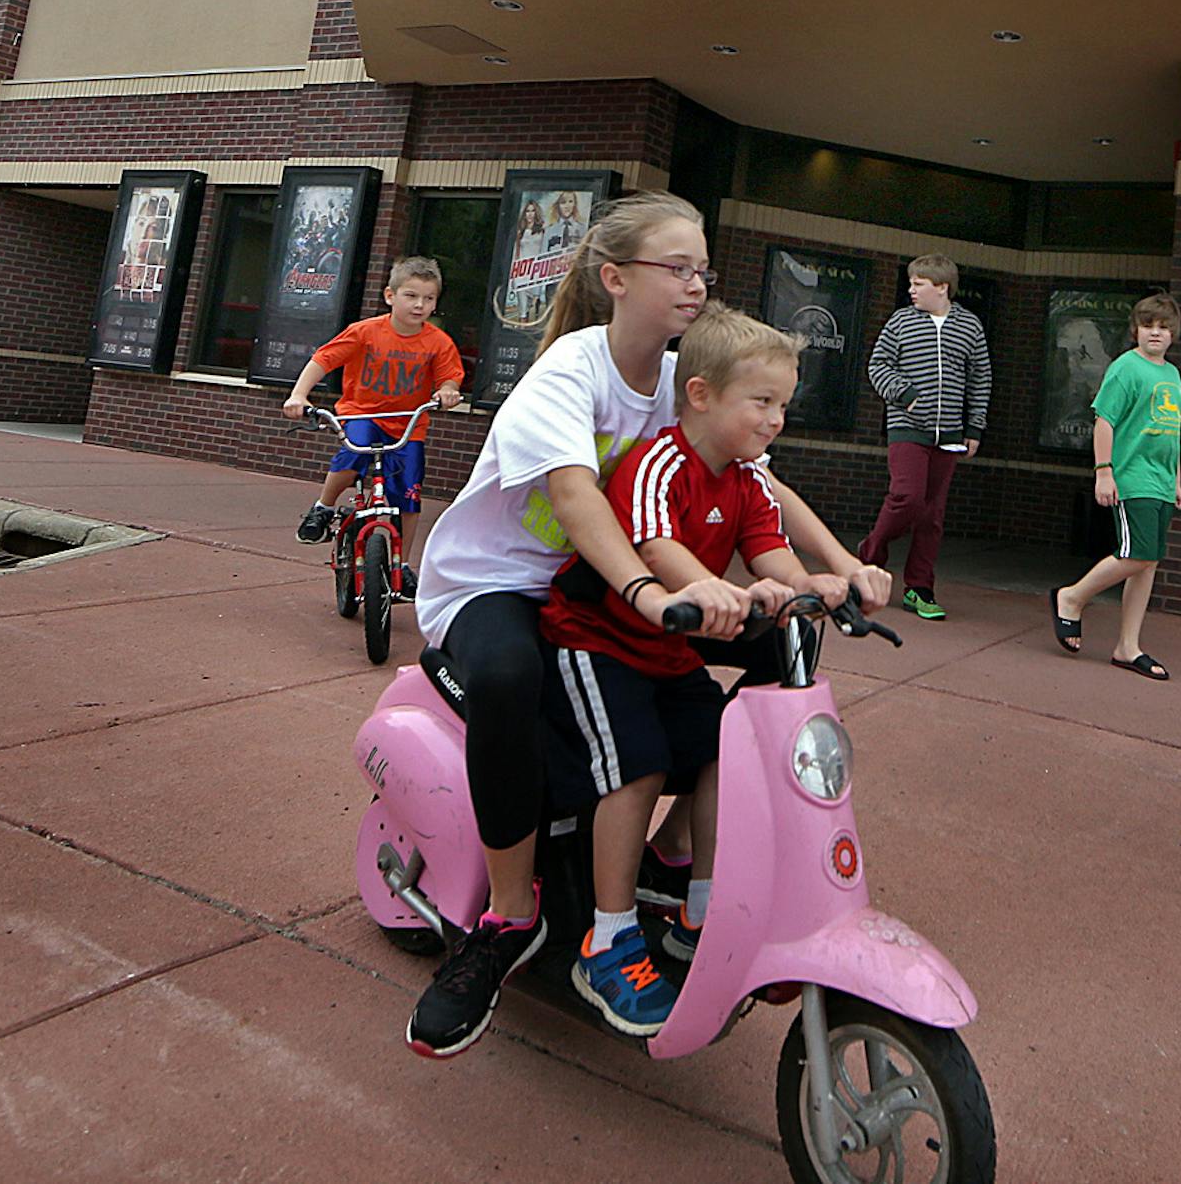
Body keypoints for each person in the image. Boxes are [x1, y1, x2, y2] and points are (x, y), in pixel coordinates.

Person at [400, 191, 879, 1060]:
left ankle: (670, 859)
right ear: (616, 279)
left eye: (704, 268)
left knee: (779, 644)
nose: (697, 284)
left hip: (609, 582)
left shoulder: (679, 381)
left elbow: (763, 482)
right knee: (507, 677)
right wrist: (645, 591)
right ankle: (511, 917)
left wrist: (840, 571)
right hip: (505, 581)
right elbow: (575, 495)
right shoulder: (570, 373)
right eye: (678, 267)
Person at [538, 306, 881, 1036]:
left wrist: (808, 585)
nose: (775, 419)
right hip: (597, 639)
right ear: (700, 395)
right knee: (637, 768)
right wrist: (707, 586)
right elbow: (658, 547)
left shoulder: (746, 481)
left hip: (667, 651)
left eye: (783, 405)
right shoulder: (660, 462)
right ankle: (609, 936)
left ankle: (702, 909)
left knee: (735, 749)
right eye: (761, 402)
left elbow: (770, 550)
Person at [285, 255, 466, 563]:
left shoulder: (439, 342)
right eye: (411, 296)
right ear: (390, 296)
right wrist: (299, 395)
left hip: (408, 424)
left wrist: (448, 392)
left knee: (408, 497)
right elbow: (324, 359)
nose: (419, 305)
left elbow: (449, 378)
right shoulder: (366, 332)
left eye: (429, 298)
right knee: (354, 453)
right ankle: (324, 507)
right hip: (362, 413)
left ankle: (403, 564)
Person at [1048, 292, 1181, 679]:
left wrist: (1176, 479)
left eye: (1163, 327)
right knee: (1137, 553)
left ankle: (1128, 647)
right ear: (1135, 331)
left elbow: (1172, 431)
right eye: (1148, 326)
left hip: (1160, 480)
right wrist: (1104, 472)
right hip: (1131, 476)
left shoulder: (1171, 375)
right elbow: (1104, 421)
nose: (1155, 334)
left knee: (1148, 564)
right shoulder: (1126, 368)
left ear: (1173, 334)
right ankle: (1071, 598)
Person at [857, 255, 993, 620]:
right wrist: (904, 394)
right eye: (911, 283)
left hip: (950, 434)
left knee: (932, 515)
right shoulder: (901, 321)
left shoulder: (969, 326)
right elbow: (878, 364)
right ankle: (869, 557)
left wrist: (974, 428)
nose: (911, 290)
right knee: (906, 497)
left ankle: (919, 589)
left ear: (942, 287)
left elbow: (980, 379)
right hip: (907, 427)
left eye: (918, 283)